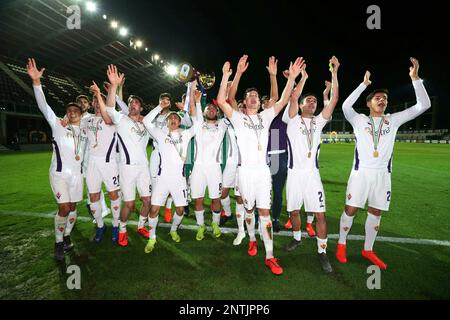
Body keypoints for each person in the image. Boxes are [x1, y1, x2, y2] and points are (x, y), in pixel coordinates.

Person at [336, 58, 431, 270]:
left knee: (376, 212)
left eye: (385, 99)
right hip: (361, 174)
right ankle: (341, 244)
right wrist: (364, 85)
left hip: (382, 175)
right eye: (378, 98)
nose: (382, 101)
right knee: (351, 209)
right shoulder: (358, 119)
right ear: (369, 103)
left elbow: (424, 105)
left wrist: (415, 79)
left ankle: (368, 249)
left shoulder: (393, 120)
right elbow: (345, 105)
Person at [217, 55, 304, 275]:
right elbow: (221, 100)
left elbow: (282, 100)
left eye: (256, 95)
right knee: (248, 209)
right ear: (244, 102)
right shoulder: (237, 118)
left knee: (263, 212)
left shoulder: (266, 117)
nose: (254, 97)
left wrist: (291, 78)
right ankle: (251, 238)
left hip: (263, 172)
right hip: (245, 173)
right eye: (250, 96)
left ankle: (270, 256)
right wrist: (231, 75)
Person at [282, 56, 340, 273]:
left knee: (320, 215)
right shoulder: (292, 120)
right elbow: (294, 95)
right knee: (294, 212)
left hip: (313, 175)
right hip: (294, 174)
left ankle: (322, 251)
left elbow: (333, 100)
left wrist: (334, 72)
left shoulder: (319, 121)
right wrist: (303, 77)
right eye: (309, 101)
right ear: (301, 104)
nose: (313, 103)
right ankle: (296, 239)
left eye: (315, 101)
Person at [27, 58, 87, 261]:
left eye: (75, 110)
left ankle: (68, 235)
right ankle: (59, 242)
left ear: (80, 114)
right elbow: (43, 106)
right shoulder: (58, 126)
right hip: (59, 173)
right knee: (63, 208)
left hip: (77, 176)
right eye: (69, 110)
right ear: (66, 113)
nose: (72, 112)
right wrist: (37, 82)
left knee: (73, 208)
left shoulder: (86, 131)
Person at [142, 83, 201, 253]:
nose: (173, 120)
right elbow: (146, 121)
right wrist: (160, 106)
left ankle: (174, 230)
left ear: (180, 121)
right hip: (162, 179)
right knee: (154, 209)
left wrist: (196, 103)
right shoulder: (160, 134)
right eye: (171, 118)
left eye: (176, 118)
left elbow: (197, 124)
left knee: (181, 209)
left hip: (179, 180)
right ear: (167, 121)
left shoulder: (186, 134)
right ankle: (152, 237)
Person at [103, 65, 152, 247]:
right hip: (127, 168)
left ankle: (141, 225)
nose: (132, 105)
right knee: (130, 204)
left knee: (147, 200)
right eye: (130, 103)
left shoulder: (146, 124)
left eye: (136, 103)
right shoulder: (121, 120)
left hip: (144, 168)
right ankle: (122, 229)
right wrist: (115, 87)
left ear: (141, 108)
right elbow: (109, 109)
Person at [82, 80, 121, 243]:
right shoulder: (86, 120)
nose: (97, 105)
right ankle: (100, 226)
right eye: (95, 102)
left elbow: (112, 107)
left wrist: (107, 91)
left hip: (109, 163)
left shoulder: (110, 119)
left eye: (100, 102)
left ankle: (115, 225)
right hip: (92, 164)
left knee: (113, 194)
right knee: (93, 196)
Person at [190, 92, 228, 241]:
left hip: (215, 168)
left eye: (214, 109)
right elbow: (195, 111)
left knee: (215, 199)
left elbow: (227, 107)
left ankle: (215, 223)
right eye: (208, 109)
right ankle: (201, 226)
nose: (211, 110)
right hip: (198, 168)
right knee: (198, 199)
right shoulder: (198, 125)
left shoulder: (223, 125)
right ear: (204, 112)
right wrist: (198, 101)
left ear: (217, 112)